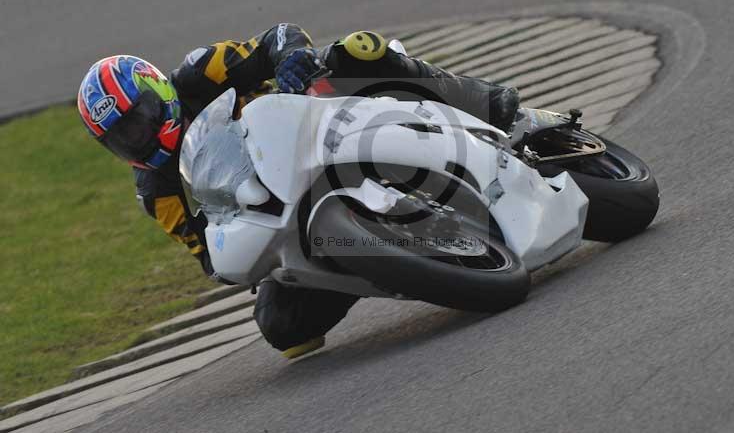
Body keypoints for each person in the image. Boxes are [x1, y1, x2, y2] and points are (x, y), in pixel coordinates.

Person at [76, 23, 520, 359]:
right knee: (282, 328)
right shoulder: (157, 192)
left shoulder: (199, 71)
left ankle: (481, 102)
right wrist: (236, 244)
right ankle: (383, 258)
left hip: (318, 125)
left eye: (139, 118)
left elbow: (277, 37)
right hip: (281, 213)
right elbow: (209, 258)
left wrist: (292, 57)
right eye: (123, 137)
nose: (138, 137)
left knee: (356, 51)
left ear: (158, 90)